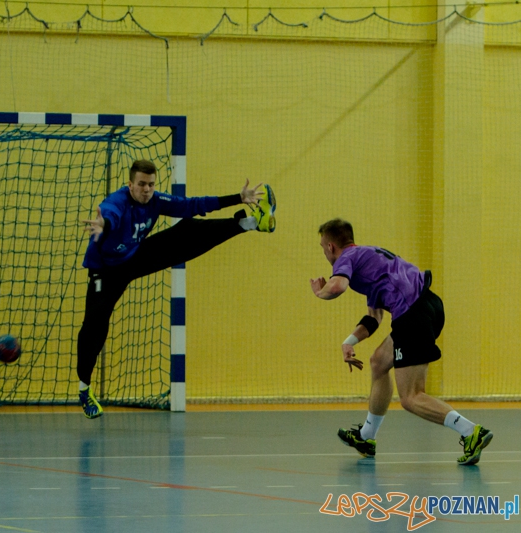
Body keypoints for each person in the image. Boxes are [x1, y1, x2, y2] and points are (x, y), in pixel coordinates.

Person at [77, 159, 276, 418]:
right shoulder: (118, 202)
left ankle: (249, 223)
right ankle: (84, 388)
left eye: (150, 184)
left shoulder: (157, 200)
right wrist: (104, 225)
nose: (146, 189)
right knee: (94, 324)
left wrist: (237, 197)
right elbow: (111, 214)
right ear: (130, 184)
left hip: (134, 258)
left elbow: (193, 204)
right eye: (141, 184)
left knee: (187, 229)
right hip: (105, 270)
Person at [310, 218, 493, 465]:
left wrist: (320, 293)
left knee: (411, 397)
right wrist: (349, 341)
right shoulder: (369, 260)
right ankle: (366, 437)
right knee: (378, 362)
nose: (324, 252)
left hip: (412, 314)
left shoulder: (346, 260)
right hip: (428, 305)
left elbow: (338, 286)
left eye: (322, 247)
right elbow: (374, 318)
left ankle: (471, 432)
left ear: (331, 246)